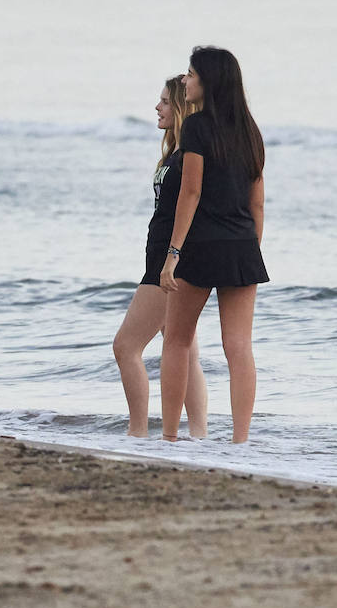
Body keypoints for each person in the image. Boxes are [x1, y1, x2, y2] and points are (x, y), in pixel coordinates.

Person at [160, 47, 267, 443]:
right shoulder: (250, 130)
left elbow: (190, 193)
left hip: (202, 245)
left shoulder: (197, 128)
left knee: (177, 338)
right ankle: (241, 442)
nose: (185, 82)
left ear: (208, 81)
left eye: (190, 75)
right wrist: (249, 249)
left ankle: (170, 437)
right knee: (239, 347)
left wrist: (172, 255)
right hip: (242, 246)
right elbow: (257, 202)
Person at [112, 76, 207, 438]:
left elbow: (194, 206)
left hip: (168, 264)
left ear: (182, 107)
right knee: (183, 350)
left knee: (126, 347)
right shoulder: (175, 153)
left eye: (166, 101)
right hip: (163, 258)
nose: (158, 107)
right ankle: (199, 436)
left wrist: (173, 257)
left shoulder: (189, 157)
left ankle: (138, 434)